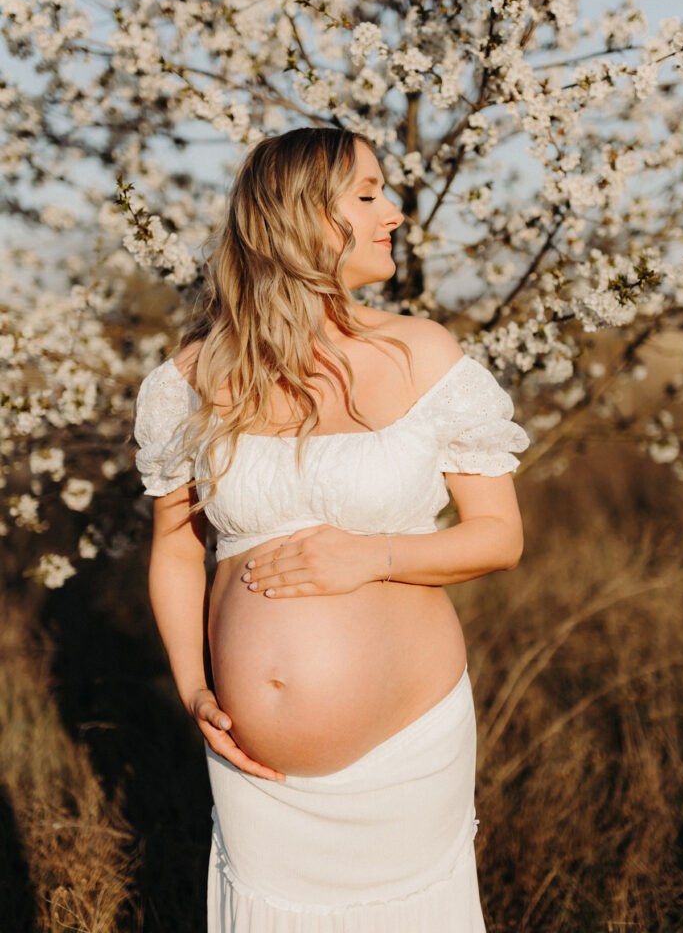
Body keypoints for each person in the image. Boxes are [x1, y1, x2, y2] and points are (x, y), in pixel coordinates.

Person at [133, 126, 529, 932]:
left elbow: (498, 537)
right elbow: (176, 548)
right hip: (255, 772)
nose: (396, 212)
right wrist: (193, 688)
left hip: (407, 752)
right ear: (302, 217)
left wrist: (371, 558)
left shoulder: (423, 354)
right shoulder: (188, 382)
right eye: (369, 194)